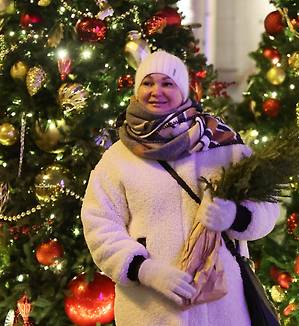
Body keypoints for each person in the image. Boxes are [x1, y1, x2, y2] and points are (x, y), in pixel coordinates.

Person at [81, 50, 280, 325]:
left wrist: (235, 216)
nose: (156, 91)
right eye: (148, 83)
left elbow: (267, 205)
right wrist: (144, 270)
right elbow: (99, 224)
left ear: (183, 90)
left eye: (167, 83)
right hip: (149, 309)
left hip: (224, 308)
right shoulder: (117, 159)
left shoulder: (222, 144)